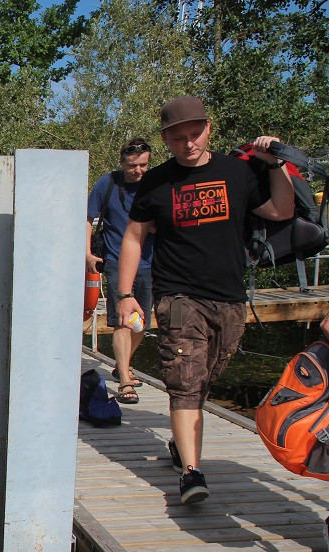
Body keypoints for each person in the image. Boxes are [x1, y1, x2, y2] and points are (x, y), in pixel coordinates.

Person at [116, 96, 294, 504]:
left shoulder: (237, 172)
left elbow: (282, 211)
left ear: (208, 128)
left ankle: (182, 445)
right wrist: (125, 295)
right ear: (165, 139)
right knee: (184, 379)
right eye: (178, 138)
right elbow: (134, 237)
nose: (188, 144)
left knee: (206, 376)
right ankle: (192, 474)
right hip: (178, 295)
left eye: (194, 134)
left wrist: (277, 163)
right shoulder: (157, 182)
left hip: (229, 298)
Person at [86, 138, 154, 404]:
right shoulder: (108, 183)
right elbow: (87, 218)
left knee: (141, 322)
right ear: (122, 162)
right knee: (122, 319)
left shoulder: (154, 184)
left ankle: (122, 363)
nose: (139, 171)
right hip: (115, 259)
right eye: (133, 166)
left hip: (149, 260)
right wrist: (88, 253)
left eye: (144, 165)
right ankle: (125, 379)